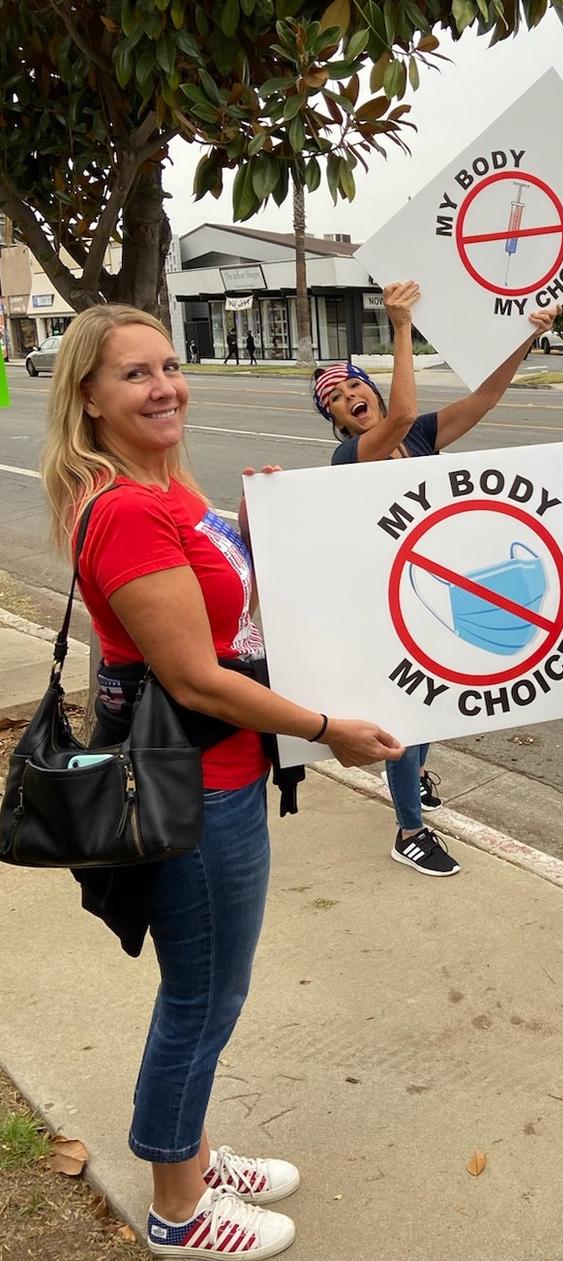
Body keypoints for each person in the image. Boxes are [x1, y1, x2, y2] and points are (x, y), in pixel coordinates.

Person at [41, 303, 403, 1259]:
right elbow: (197, 675)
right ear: (89, 396)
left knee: (209, 986)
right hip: (193, 789)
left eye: (169, 365)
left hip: (225, 777)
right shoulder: (122, 508)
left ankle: (191, 1157)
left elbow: (220, 605)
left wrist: (245, 526)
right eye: (134, 375)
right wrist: (332, 732)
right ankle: (177, 1205)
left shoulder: (170, 488)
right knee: (202, 996)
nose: (164, 386)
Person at [311, 282, 559, 877]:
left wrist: (524, 340)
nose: (352, 398)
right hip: (388, 600)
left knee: (436, 700)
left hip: (437, 590)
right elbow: (398, 415)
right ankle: (409, 831)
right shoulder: (354, 457)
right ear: (337, 421)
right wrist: (400, 327)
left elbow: (487, 398)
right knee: (409, 719)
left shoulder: (419, 437)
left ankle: (414, 777)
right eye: (339, 400)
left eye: (355, 386)